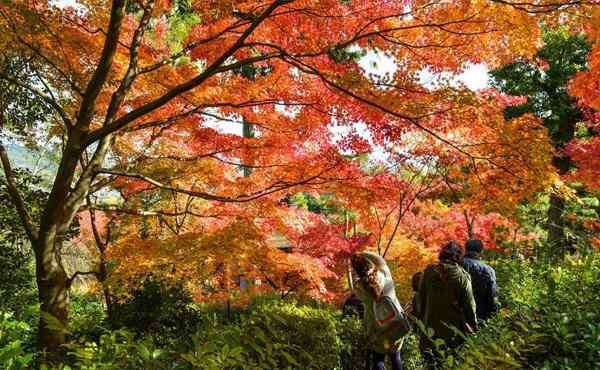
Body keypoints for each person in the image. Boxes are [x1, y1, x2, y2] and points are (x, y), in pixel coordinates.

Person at [417, 241, 477, 369]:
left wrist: (420, 322)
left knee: (431, 365)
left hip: (429, 329)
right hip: (452, 332)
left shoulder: (429, 271)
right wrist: (473, 326)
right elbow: (469, 305)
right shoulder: (462, 276)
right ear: (459, 256)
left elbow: (420, 299)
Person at [351, 251, 411, 370]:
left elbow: (354, 286)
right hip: (396, 324)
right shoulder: (385, 276)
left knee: (378, 359)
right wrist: (363, 253)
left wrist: (356, 269)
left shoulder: (360, 288)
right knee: (395, 357)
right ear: (370, 264)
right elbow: (379, 259)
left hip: (377, 331)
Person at [462, 239, 499, 321]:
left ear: (465, 249)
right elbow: (492, 295)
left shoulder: (455, 266)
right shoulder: (488, 270)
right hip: (480, 314)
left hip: (457, 315)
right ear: (481, 251)